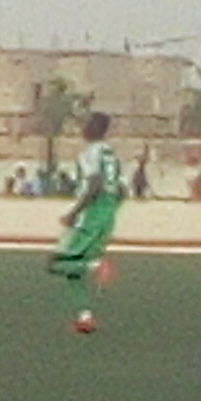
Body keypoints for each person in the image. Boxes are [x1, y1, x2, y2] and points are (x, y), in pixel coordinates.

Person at [48, 112, 125, 334]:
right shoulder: (112, 155)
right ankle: (84, 316)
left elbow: (94, 184)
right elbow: (122, 190)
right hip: (107, 213)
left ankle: (96, 266)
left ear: (95, 128)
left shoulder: (90, 153)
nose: (83, 128)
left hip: (91, 213)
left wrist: (75, 212)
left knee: (56, 263)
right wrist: (109, 212)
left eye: (86, 124)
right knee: (74, 268)